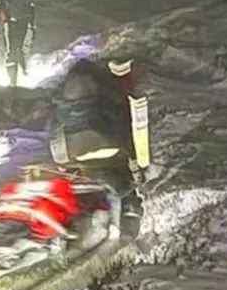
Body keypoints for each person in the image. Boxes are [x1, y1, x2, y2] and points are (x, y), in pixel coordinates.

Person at [48, 56, 151, 240]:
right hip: (108, 148)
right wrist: (136, 162)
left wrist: (62, 163)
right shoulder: (107, 92)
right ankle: (129, 213)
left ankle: (78, 222)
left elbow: (53, 127)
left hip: (73, 154)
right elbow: (125, 124)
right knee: (125, 181)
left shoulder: (62, 97)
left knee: (87, 182)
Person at [0, 166, 80, 247]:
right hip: (38, 197)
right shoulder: (39, 225)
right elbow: (45, 216)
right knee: (48, 203)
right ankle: (65, 174)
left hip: (22, 195)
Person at [0, 0, 38, 87]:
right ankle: (24, 72)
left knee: (11, 51)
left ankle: (13, 81)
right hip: (23, 23)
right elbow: (31, 8)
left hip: (10, 24)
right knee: (21, 49)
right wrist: (32, 26)